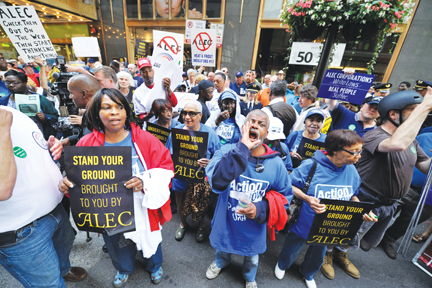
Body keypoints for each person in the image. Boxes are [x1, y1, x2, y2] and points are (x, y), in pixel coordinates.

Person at [59, 88, 174, 287]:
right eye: (107, 107)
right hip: (108, 209)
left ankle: (155, 265)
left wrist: (145, 181)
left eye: (119, 107)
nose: (114, 112)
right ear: (96, 113)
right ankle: (124, 268)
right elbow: (77, 181)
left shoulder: (144, 139)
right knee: (115, 243)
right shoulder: (87, 144)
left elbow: (166, 168)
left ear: (126, 111)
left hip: (143, 207)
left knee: (151, 239)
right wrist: (68, 185)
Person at [322, 89, 432, 280]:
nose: (417, 114)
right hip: (364, 198)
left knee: (357, 233)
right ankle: (327, 254)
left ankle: (341, 253)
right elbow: (396, 145)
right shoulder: (375, 135)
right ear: (393, 114)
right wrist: (425, 106)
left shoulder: (411, 139)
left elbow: (424, 165)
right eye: (412, 110)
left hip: (387, 203)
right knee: (343, 230)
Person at [275, 129, 376, 288]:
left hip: (330, 226)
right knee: (292, 246)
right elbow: (289, 185)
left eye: (360, 151)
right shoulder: (311, 165)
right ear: (335, 150)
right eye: (353, 152)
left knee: (318, 253)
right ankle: (282, 264)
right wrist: (307, 198)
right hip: (304, 221)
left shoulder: (351, 170)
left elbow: (353, 195)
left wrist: (361, 210)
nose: (359, 156)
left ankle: (308, 273)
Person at [0, 106, 87, 287]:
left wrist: (48, 147)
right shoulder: (3, 120)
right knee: (49, 283)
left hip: (55, 208)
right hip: (21, 231)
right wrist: (2, 129)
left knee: (64, 247)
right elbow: (2, 188)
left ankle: (63, 269)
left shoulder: (8, 110)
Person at [205, 109, 293, 288]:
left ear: (267, 134)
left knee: (252, 257)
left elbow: (285, 197)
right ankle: (221, 263)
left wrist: (260, 209)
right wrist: (242, 150)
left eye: (261, 124)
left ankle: (249, 276)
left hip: (254, 225)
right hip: (227, 219)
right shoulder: (226, 151)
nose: (255, 125)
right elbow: (216, 182)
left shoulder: (276, 163)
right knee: (222, 248)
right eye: (251, 121)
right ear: (244, 127)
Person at [166, 101, 221, 242]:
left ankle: (201, 226)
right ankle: (183, 224)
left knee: (200, 204)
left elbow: (219, 156)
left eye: (192, 113)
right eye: (184, 113)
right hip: (180, 176)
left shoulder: (209, 133)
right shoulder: (176, 132)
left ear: (200, 115)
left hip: (200, 178)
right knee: (179, 203)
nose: (187, 116)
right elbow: (167, 153)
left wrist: (210, 163)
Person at [380, 129, 432, 259]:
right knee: (385, 209)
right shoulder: (425, 137)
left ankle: (388, 240)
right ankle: (371, 235)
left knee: (408, 221)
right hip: (407, 184)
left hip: (428, 195)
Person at [1, 69, 58, 140]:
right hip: (13, 138)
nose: (11, 85)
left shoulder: (41, 99)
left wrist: (45, 117)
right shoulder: (3, 101)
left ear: (25, 83)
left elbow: (55, 116)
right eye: (7, 82)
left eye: (15, 83)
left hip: (38, 138)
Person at [60, 74, 101, 147]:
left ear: (84, 94)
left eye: (72, 93)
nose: (70, 96)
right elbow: (85, 137)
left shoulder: (102, 116)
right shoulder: (89, 112)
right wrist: (69, 140)